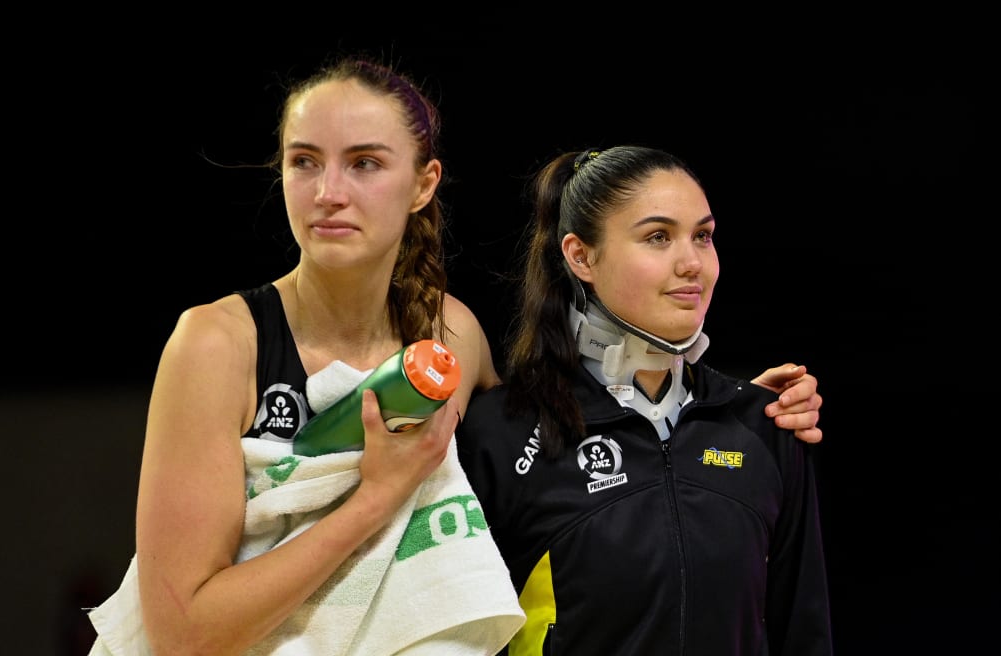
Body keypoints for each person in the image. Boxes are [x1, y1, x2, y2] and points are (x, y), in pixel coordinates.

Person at [88, 57, 825, 655]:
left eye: (365, 163)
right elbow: (182, 633)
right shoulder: (217, 342)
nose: (328, 192)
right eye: (304, 161)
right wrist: (375, 497)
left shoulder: (454, 337)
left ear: (424, 184)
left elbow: (565, 450)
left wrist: (715, 416)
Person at [456, 146, 833, 655]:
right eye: (658, 237)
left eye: (702, 236)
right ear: (581, 256)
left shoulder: (765, 425)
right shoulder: (499, 433)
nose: (692, 263)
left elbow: (803, 635)